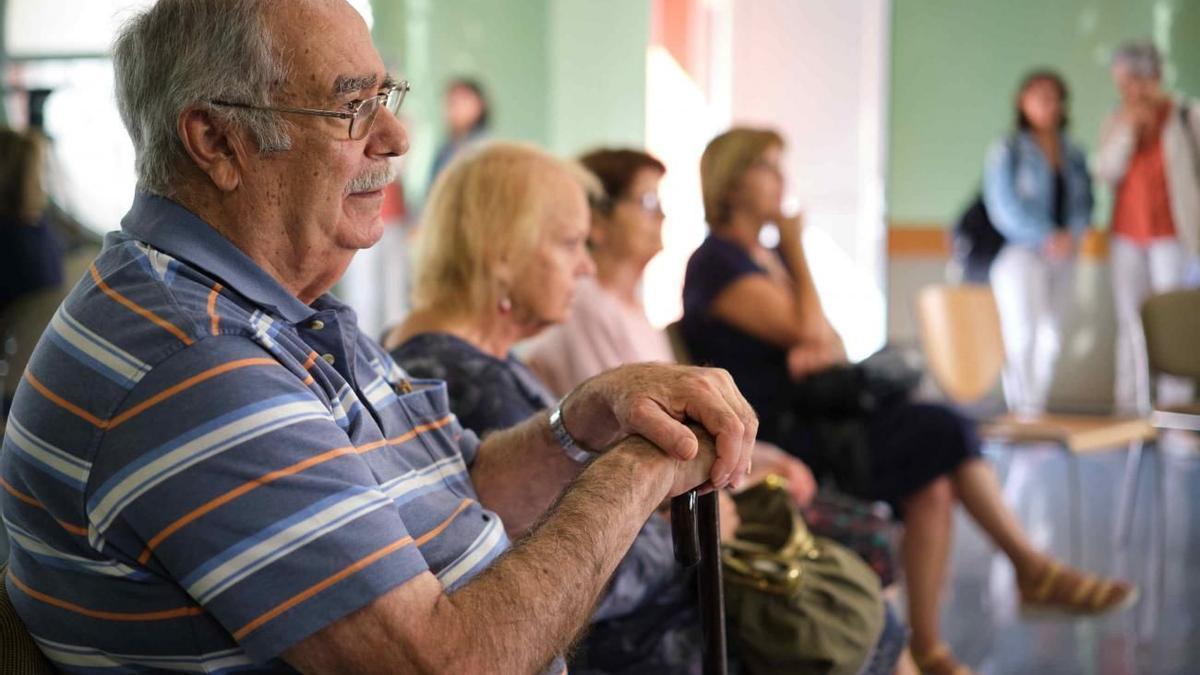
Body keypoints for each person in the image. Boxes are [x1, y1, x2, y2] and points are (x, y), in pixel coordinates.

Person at [0, 2, 757, 673]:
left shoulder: (280, 308)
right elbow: (446, 663)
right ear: (217, 141)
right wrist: (636, 472)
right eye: (351, 108)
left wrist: (584, 421)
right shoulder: (193, 362)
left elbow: (460, 486)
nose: (396, 137)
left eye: (384, 96)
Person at [385, 141, 866, 674]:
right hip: (624, 642)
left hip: (644, 617)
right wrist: (695, 528)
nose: (586, 267)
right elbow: (554, 562)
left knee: (846, 609)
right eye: (571, 244)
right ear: (504, 252)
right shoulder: (456, 373)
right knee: (841, 626)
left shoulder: (482, 360)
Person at [681, 126, 1136, 674]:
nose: (783, 180)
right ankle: (1025, 571)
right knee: (945, 427)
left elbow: (831, 343)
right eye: (768, 167)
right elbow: (807, 330)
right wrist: (799, 251)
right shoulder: (716, 263)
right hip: (776, 434)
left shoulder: (767, 258)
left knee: (935, 485)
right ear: (731, 183)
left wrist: (808, 320)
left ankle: (931, 644)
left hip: (823, 416)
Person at [1097, 41, 1200, 413]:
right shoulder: (1116, 119)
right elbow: (1105, 173)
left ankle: (1176, 414)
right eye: (1123, 83)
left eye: (1136, 81)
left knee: (1173, 326)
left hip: (1174, 236)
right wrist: (1128, 132)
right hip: (1128, 237)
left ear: (1154, 77)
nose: (1130, 91)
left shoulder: (1186, 115)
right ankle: (1130, 410)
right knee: (1131, 324)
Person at [983, 70, 1093, 416]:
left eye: (1053, 96)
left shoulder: (1073, 153)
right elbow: (1003, 206)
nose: (1047, 103)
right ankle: (1023, 413)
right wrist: (1045, 233)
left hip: (1062, 255)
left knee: (1052, 335)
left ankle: (1037, 411)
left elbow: (1084, 203)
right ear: (1022, 100)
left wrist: (1069, 235)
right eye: (1038, 95)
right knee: (1022, 332)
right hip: (1021, 251)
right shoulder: (1009, 149)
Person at [427, 77, 490, 185]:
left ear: (480, 105)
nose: (456, 107)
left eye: (463, 100)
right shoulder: (445, 149)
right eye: (451, 102)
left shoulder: (486, 148)